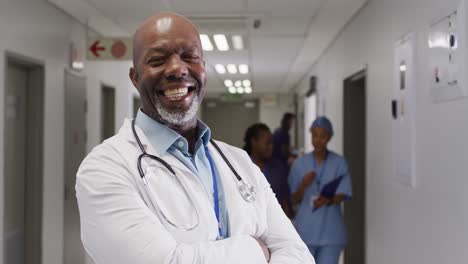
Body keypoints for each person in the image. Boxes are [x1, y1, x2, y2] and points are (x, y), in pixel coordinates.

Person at [75, 12, 314, 264]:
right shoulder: (105, 168)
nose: (178, 68)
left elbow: (298, 255)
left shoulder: (239, 162)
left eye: (190, 56)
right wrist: (255, 250)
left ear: (204, 69)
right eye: (157, 60)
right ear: (135, 78)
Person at [288, 116, 352, 264]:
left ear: (329, 137)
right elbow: (293, 199)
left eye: (322, 136)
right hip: (306, 229)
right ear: (311, 135)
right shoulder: (299, 164)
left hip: (331, 232)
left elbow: (344, 193)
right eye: (315, 135)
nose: (318, 140)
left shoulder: (339, 162)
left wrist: (329, 200)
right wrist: (304, 185)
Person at [243, 123, 292, 218]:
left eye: (272, 143)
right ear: (254, 142)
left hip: (275, 223)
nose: (271, 147)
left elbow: (284, 200)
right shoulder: (241, 166)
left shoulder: (277, 168)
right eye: (267, 143)